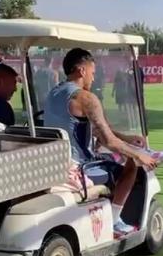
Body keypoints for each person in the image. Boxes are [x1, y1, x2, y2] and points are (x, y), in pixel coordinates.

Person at [44, 48, 157, 236]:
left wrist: (127, 139)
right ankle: (114, 220)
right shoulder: (86, 98)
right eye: (93, 73)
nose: (94, 78)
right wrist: (139, 155)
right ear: (82, 70)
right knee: (131, 165)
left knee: (111, 157)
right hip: (79, 168)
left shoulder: (54, 93)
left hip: (55, 162)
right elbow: (109, 141)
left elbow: (96, 129)